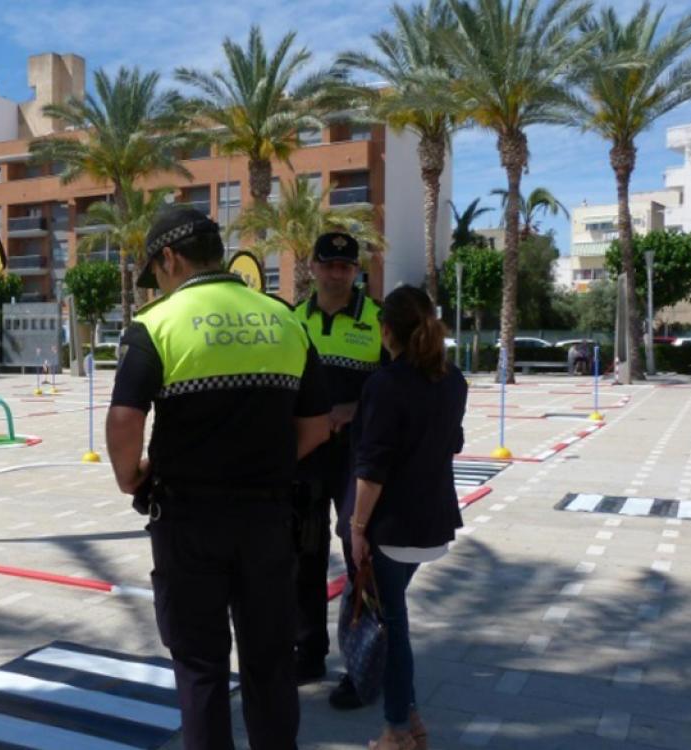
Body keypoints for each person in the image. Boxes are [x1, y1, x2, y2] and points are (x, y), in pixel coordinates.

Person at [106, 207, 331, 749]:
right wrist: (271, 462)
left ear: (169, 258)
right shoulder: (283, 318)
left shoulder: (156, 325)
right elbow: (319, 425)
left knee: (201, 667)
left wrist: (129, 475)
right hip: (268, 520)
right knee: (270, 664)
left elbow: (124, 419)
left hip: (188, 522)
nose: (157, 286)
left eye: (156, 275)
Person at [346, 286, 467, 750]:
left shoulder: (384, 384)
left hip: (393, 527)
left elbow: (372, 468)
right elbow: (452, 442)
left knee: (394, 628)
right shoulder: (453, 380)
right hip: (433, 521)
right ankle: (411, 721)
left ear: (387, 330)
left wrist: (357, 530)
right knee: (394, 618)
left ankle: (396, 729)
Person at [290, 232, 385, 709]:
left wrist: (352, 407)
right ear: (312, 267)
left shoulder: (377, 319)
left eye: (345, 266)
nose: (336, 273)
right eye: (328, 264)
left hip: (355, 459)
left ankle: (362, 667)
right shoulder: (291, 320)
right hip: (306, 459)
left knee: (358, 556)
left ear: (355, 271)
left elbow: (397, 388)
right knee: (304, 557)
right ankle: (308, 653)